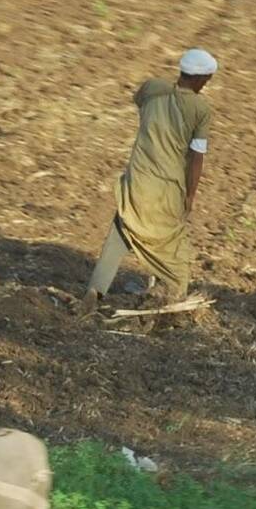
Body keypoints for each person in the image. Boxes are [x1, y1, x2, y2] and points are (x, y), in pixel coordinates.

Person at [81, 48, 217, 312]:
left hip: (137, 180)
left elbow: (142, 102)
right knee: (174, 251)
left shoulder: (152, 89)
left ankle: (94, 293)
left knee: (121, 230)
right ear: (202, 79)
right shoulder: (200, 109)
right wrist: (189, 196)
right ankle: (169, 302)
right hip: (166, 190)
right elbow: (196, 157)